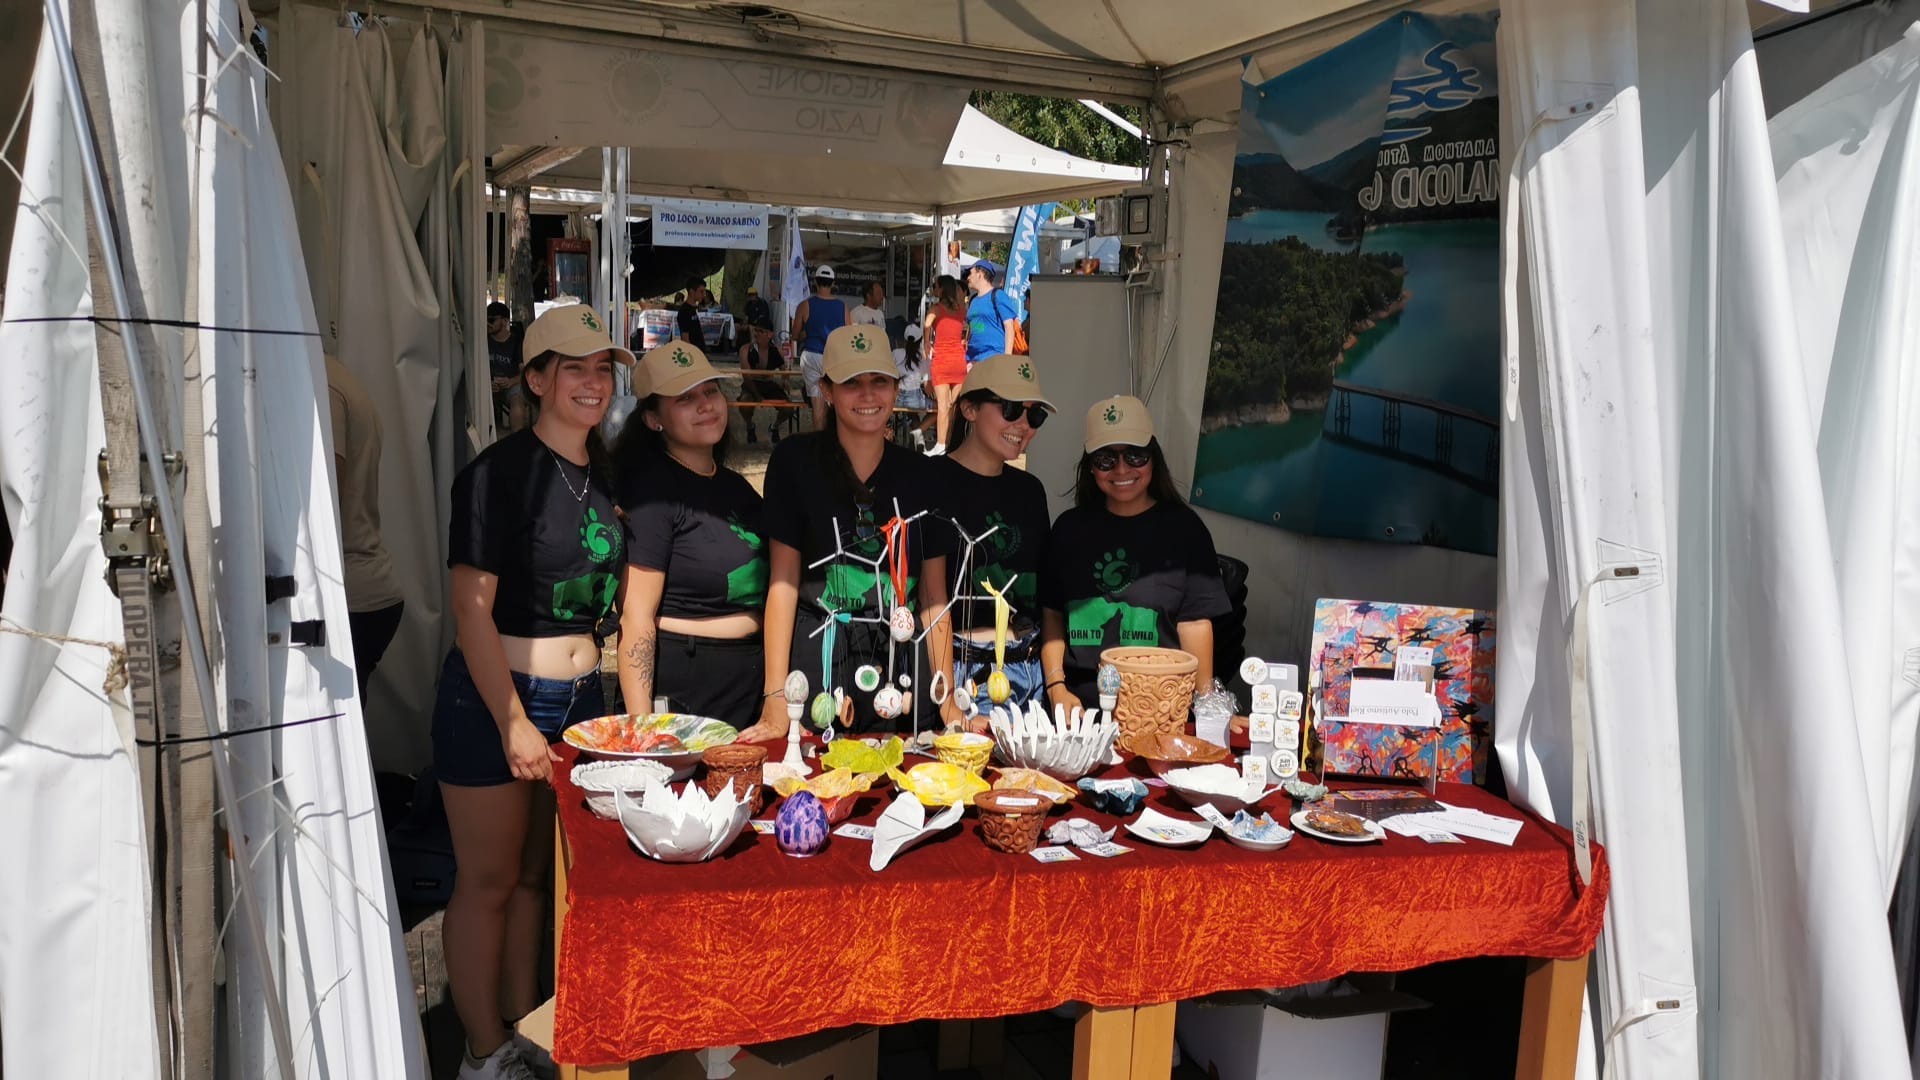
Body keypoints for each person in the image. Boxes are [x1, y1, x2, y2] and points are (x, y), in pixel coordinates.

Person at [432, 304, 633, 1080]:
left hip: (582, 700)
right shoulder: (496, 475)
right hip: (498, 699)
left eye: (602, 368)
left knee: (536, 880)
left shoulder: (602, 473)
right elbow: (469, 610)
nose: (593, 382)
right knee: (487, 882)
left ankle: (523, 1030)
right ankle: (482, 1052)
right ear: (537, 379)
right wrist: (513, 720)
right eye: (574, 368)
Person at [745, 325, 965, 741]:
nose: (867, 395)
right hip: (821, 657)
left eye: (879, 381)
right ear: (826, 390)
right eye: (851, 383)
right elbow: (783, 582)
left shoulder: (925, 475)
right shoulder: (795, 463)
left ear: (896, 388)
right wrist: (775, 698)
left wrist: (948, 700)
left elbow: (934, 598)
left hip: (903, 664)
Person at [1041, 395, 1230, 712]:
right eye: (1106, 459)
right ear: (1090, 467)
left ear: (1154, 458)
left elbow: (1195, 623)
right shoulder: (1068, 529)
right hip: (1077, 712)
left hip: (1160, 708)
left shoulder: (1186, 529)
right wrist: (1056, 688)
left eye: (1135, 456)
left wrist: (1208, 706)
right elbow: (1052, 613)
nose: (1122, 469)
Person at [614, 343, 768, 727]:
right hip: (685, 680)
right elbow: (635, 618)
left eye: (710, 391)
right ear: (653, 418)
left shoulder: (736, 488)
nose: (706, 405)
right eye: (685, 398)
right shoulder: (651, 494)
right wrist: (641, 728)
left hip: (747, 680)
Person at [933, 354, 1055, 717]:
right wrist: (947, 699)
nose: (1024, 425)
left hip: (1031, 671)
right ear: (969, 409)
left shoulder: (1031, 490)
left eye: (1035, 415)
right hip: (964, 675)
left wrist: (1055, 682)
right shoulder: (931, 481)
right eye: (1011, 408)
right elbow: (930, 600)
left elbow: (1046, 594)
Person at [326, 356, 403, 702]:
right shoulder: (338, 377)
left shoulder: (324, 383)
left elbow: (326, 493)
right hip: (363, 589)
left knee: (335, 722)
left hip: (351, 593)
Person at [790, 265, 846, 430]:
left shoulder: (805, 305)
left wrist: (808, 333)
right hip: (834, 358)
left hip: (812, 356)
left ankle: (819, 440)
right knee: (836, 402)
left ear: (815, 282)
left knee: (817, 404)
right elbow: (848, 335)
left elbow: (795, 335)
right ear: (833, 283)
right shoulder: (843, 307)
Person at [921, 274, 968, 455]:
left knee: (942, 406)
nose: (934, 289)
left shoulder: (936, 308)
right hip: (959, 361)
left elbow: (927, 324)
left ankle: (940, 445)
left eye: (936, 286)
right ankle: (950, 443)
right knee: (952, 406)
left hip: (941, 360)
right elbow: (969, 326)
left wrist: (927, 342)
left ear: (942, 288)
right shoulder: (961, 309)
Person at [736, 316, 790, 445]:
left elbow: (785, 369)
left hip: (769, 385)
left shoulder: (776, 351)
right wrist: (757, 395)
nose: (756, 334)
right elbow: (747, 376)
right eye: (755, 330)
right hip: (751, 384)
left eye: (761, 331)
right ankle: (750, 425)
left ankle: (775, 427)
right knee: (744, 405)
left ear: (769, 334)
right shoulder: (745, 349)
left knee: (789, 408)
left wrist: (785, 380)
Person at [963, 260, 1018, 364]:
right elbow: (973, 327)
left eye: (971, 273)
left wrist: (1007, 359)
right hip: (973, 358)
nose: (968, 278)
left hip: (994, 357)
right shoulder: (973, 300)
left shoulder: (999, 295)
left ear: (980, 274)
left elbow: (1009, 326)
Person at [486, 302, 529, 432]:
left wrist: (510, 381)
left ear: (505, 321)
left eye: (491, 320)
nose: (487, 323)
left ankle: (517, 439)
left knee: (517, 402)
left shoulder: (517, 342)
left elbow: (525, 372)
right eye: (485, 319)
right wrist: (487, 383)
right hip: (486, 386)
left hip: (511, 384)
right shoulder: (482, 340)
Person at [677, 277, 710, 351]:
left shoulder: (693, 308)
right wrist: (692, 353)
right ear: (692, 292)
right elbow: (685, 339)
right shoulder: (684, 311)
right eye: (701, 291)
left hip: (699, 350)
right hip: (693, 352)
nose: (704, 295)